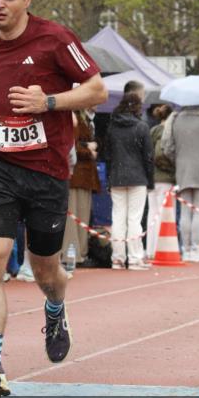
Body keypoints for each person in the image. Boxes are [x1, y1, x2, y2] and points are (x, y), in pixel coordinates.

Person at [0, 0, 107, 398]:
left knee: (45, 269)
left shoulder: (55, 39)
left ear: (27, 0)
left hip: (47, 170)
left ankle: (55, 308)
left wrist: (48, 100)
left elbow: (97, 89)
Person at [105, 92, 154, 270]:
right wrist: (150, 181)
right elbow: (149, 156)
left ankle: (117, 258)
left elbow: (108, 156)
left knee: (117, 218)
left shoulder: (112, 127)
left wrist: (109, 179)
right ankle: (134, 258)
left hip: (117, 177)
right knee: (134, 219)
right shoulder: (142, 127)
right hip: (137, 177)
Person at [173, 106, 199, 262]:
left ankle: (186, 249)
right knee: (198, 210)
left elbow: (171, 144)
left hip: (183, 167)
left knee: (185, 211)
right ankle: (196, 249)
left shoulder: (177, 120)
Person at [62, 109, 101, 268]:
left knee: (81, 217)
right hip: (75, 175)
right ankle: (72, 254)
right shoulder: (75, 118)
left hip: (84, 177)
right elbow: (69, 145)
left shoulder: (86, 118)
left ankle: (80, 253)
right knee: (74, 217)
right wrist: (88, 150)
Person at [148, 104, 175, 259]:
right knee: (164, 216)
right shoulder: (169, 133)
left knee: (152, 214)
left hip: (152, 178)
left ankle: (149, 250)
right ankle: (161, 249)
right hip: (165, 178)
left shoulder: (152, 130)